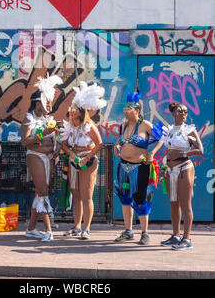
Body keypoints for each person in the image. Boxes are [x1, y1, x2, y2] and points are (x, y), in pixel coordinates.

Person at [113, 91, 164, 245]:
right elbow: (121, 141)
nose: (125, 110)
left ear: (137, 110)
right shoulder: (124, 125)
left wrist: (152, 153)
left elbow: (162, 137)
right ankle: (128, 231)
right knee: (125, 199)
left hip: (139, 168)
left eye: (129, 108)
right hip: (123, 167)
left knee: (141, 199)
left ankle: (144, 233)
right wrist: (116, 146)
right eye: (125, 107)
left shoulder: (145, 125)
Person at [61, 81, 105, 240]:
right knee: (76, 194)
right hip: (74, 161)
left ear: (80, 111)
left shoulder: (89, 126)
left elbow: (99, 144)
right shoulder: (70, 126)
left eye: (74, 109)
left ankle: (86, 228)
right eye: (71, 109)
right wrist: (71, 155)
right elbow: (64, 144)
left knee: (87, 195)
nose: (71, 111)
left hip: (87, 161)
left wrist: (86, 157)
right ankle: (77, 226)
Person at [21, 74, 63, 242]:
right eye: (47, 101)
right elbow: (25, 142)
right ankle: (48, 230)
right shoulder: (29, 118)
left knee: (41, 192)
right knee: (43, 192)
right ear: (38, 102)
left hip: (49, 158)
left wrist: (57, 148)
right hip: (35, 156)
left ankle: (31, 228)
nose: (49, 104)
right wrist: (42, 133)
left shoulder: (49, 119)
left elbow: (57, 140)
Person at [160, 102, 203, 250]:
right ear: (173, 113)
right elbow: (168, 150)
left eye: (185, 111)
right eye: (180, 111)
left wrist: (182, 153)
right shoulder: (170, 130)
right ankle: (175, 235)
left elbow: (200, 150)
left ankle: (187, 239)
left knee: (185, 204)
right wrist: (164, 167)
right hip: (170, 170)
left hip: (184, 168)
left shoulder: (189, 130)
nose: (184, 114)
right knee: (173, 203)